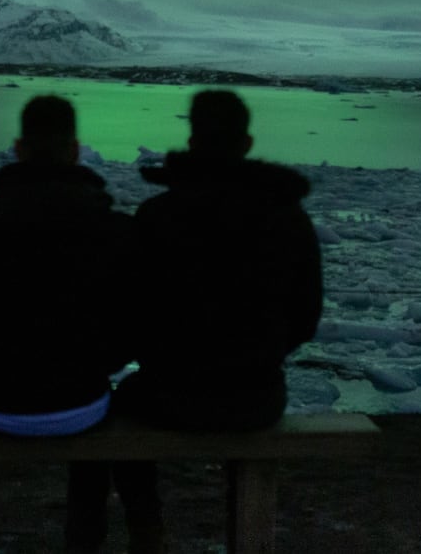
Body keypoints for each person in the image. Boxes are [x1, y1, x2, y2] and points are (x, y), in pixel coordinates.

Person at [113, 89, 324, 553]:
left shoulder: (156, 215)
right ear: (246, 142)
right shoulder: (288, 218)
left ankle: (146, 531)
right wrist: (260, 352)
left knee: (119, 403)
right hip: (257, 396)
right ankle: (244, 533)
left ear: (193, 139)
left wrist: (165, 357)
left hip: (166, 395)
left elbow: (127, 313)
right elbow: (306, 316)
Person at [0, 94, 132, 552]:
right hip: (84, 403)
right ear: (75, 150)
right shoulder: (113, 228)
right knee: (105, 410)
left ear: (18, 148)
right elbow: (132, 328)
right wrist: (92, 361)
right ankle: (85, 541)